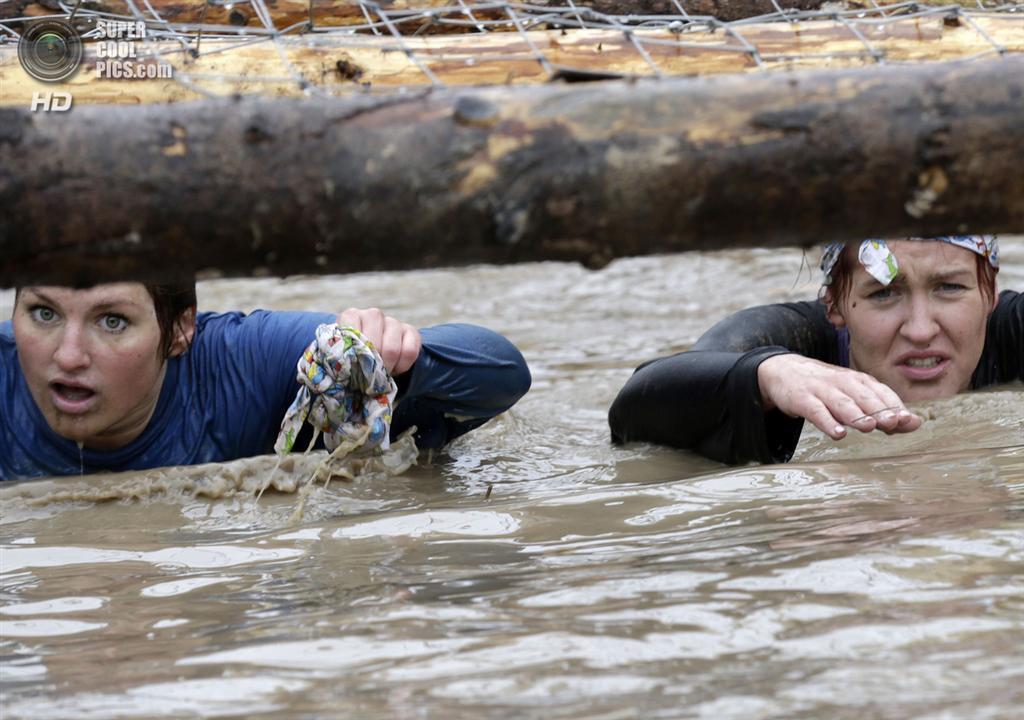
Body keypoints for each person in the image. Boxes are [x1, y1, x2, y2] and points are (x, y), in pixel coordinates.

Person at [0, 281, 531, 481]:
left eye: (111, 321)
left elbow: (502, 373)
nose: (67, 356)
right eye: (43, 314)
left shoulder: (247, 359)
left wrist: (395, 355)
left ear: (180, 328)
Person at [609, 236, 1022, 465]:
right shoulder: (793, 340)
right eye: (883, 294)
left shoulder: (1010, 332)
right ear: (835, 306)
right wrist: (767, 376)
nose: (920, 329)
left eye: (949, 288)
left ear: (990, 293)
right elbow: (636, 405)